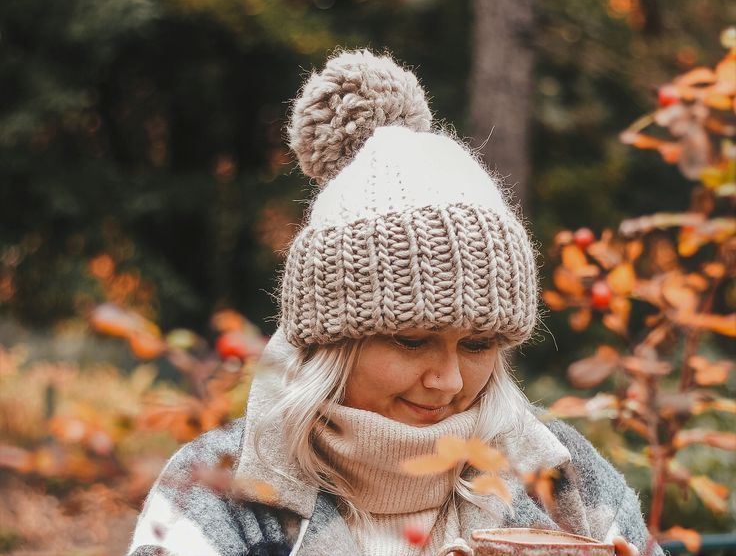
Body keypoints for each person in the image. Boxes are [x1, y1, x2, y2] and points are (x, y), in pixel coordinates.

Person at [127, 50, 662, 556]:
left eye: (477, 344)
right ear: (330, 343)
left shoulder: (561, 477)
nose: (448, 380)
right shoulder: (220, 492)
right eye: (412, 340)